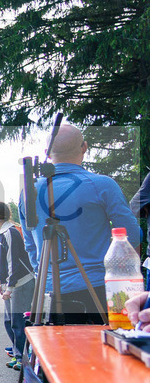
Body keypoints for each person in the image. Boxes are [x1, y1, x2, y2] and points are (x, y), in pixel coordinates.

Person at [19, 123, 139, 324]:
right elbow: (133, 235)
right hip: (97, 288)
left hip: (48, 291)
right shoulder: (102, 185)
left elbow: (30, 245)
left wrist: (45, 274)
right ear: (84, 147)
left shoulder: (28, 192)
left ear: (47, 153)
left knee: (53, 352)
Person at [0, 201, 36, 370]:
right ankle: (18, 353)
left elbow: (13, 262)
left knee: (18, 321)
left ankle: (23, 357)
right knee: (9, 321)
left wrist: (9, 286)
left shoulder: (10, 232)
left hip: (21, 282)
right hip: (11, 284)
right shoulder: (2, 232)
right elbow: (2, 263)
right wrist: (1, 284)